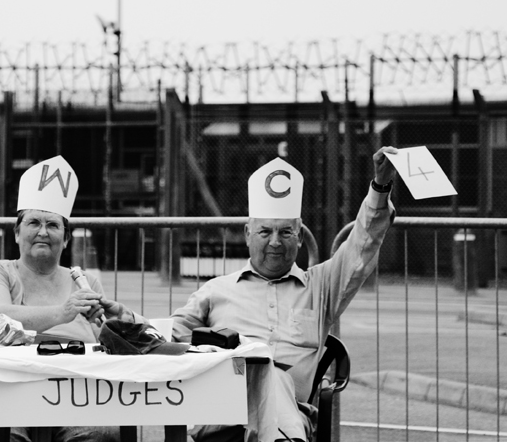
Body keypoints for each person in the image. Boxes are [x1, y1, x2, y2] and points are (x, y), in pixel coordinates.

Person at [170, 146, 398, 442]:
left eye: (285, 232)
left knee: (271, 373)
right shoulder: (215, 291)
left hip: (291, 414)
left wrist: (380, 186)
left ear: (300, 237)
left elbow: (362, 246)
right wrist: (117, 318)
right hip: (223, 417)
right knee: (265, 369)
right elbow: (163, 336)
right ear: (247, 234)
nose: (275, 242)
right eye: (265, 232)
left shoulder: (322, 286)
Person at [0, 155, 136, 442]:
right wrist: (62, 313)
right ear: (17, 233)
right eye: (33, 222)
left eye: (53, 225)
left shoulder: (84, 281)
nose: (43, 231)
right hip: (4, 392)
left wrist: (119, 321)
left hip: (76, 397)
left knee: (102, 434)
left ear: (66, 239)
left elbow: (109, 343)